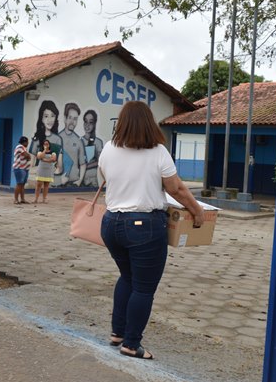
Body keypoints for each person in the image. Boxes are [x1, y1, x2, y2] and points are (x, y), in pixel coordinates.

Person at [99, 101, 204, 360]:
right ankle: (131, 344)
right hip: (143, 227)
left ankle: (118, 333)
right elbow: (176, 188)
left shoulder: (108, 148)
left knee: (127, 277)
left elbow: (106, 176)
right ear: (149, 123)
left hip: (111, 223)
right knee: (143, 288)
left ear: (122, 123)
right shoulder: (158, 152)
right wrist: (197, 211)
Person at [30, 100, 63, 178]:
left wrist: (56, 170)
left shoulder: (58, 139)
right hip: (39, 173)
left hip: (52, 174)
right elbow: (31, 164)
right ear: (41, 118)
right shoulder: (37, 139)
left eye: (52, 116)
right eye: (46, 116)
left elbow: (59, 165)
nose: (49, 120)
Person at [58, 102, 87, 186]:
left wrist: (80, 180)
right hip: (58, 184)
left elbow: (82, 164)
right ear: (65, 118)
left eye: (75, 119)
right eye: (70, 117)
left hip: (74, 184)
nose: (72, 121)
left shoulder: (79, 141)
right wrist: (57, 180)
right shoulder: (57, 139)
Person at [81, 109, 104, 187]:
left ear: (94, 124)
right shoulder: (79, 141)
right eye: (85, 121)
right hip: (80, 180)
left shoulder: (98, 142)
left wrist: (86, 166)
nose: (87, 125)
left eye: (90, 122)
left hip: (93, 180)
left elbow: (100, 161)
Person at [33, 139, 57, 203]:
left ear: (49, 145)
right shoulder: (40, 151)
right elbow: (40, 157)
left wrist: (44, 160)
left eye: (47, 144)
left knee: (46, 185)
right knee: (38, 185)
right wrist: (44, 150)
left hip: (49, 170)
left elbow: (53, 159)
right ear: (43, 145)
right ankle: (36, 199)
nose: (46, 145)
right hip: (41, 170)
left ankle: (44, 199)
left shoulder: (53, 152)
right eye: (45, 144)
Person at [12, 136, 32, 204]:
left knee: (22, 184)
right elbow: (27, 156)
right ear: (24, 142)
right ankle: (16, 199)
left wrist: (28, 157)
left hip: (25, 168)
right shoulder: (20, 147)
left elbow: (28, 157)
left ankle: (22, 199)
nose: (28, 143)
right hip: (19, 168)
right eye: (27, 142)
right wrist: (28, 156)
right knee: (19, 184)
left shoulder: (24, 148)